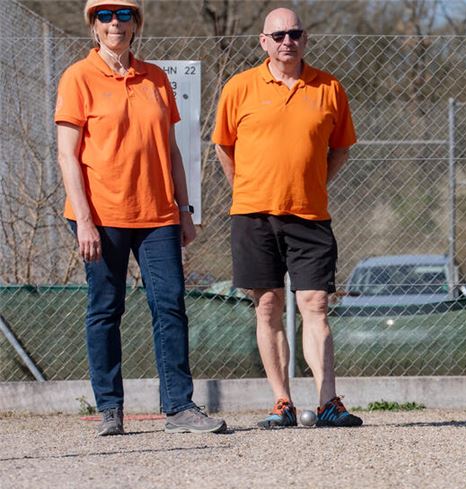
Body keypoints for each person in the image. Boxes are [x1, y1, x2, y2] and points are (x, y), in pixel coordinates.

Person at [55, 0, 227, 436]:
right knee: (105, 309)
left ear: (137, 24)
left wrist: (185, 210)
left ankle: (179, 408)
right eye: (106, 16)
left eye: (124, 15)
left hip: (157, 214)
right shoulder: (79, 77)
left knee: (169, 306)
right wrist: (86, 221)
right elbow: (67, 155)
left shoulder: (155, 78)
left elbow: (171, 151)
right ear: (94, 26)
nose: (115, 23)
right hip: (102, 214)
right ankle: (110, 409)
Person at [212, 8, 361, 429]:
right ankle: (282, 403)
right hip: (252, 215)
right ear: (264, 41)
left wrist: (313, 183)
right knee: (268, 306)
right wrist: (244, 187)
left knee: (315, 304)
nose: (286, 41)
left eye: (294, 33)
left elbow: (341, 149)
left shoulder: (329, 88)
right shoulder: (239, 87)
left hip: (310, 215)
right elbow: (223, 145)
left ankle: (328, 402)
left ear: (305, 38)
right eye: (277, 35)